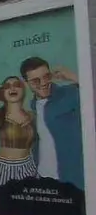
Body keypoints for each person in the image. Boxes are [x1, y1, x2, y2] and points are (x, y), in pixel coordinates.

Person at [20, 57, 83, 188]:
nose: (43, 83)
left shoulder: (70, 93)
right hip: (43, 179)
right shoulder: (32, 108)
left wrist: (74, 77)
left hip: (72, 180)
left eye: (46, 76)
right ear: (26, 83)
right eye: (35, 81)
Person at [0, 76, 38, 186]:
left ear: (23, 90)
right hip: (2, 168)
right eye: (7, 87)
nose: (12, 89)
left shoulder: (32, 116)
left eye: (17, 85)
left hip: (27, 166)